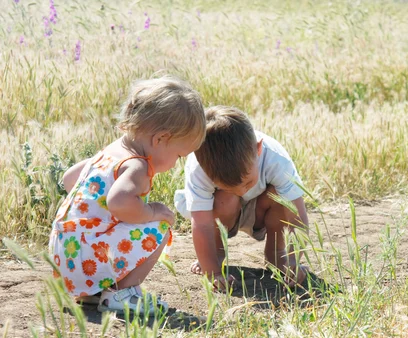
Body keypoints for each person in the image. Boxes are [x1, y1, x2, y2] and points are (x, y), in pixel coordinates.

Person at [49, 76, 206, 315]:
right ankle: (122, 294)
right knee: (159, 226)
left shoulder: (108, 153)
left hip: (64, 253)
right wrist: (153, 211)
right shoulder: (136, 166)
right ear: (160, 139)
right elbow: (119, 202)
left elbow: (70, 178)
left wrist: (94, 215)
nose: (176, 164)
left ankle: (92, 293)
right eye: (179, 155)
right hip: (86, 254)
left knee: (116, 224)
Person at [174, 105, 309, 289]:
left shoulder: (276, 159)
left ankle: (276, 254)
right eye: (229, 186)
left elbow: (297, 217)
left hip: (262, 208)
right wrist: (211, 270)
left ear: (258, 149)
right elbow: (202, 223)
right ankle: (217, 254)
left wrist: (294, 259)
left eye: (247, 182)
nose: (240, 191)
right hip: (222, 210)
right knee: (226, 198)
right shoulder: (199, 167)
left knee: (280, 197)